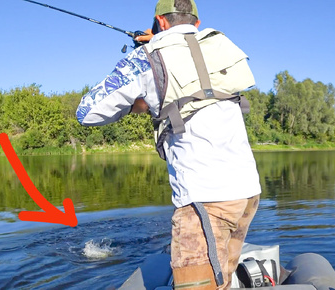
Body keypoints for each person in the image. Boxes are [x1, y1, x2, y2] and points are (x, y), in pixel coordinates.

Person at [76, 0, 261, 288]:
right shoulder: (219, 45)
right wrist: (159, 41)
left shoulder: (146, 58)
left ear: (160, 22)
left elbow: (86, 113)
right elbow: (189, 59)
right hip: (247, 193)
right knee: (222, 281)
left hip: (205, 199)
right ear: (196, 23)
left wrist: (144, 61)